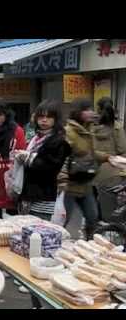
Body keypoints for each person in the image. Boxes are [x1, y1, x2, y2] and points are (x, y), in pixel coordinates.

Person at [57, 98, 111, 240]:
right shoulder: (68, 132)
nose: (90, 112)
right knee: (72, 223)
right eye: (86, 109)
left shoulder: (89, 130)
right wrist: (62, 183)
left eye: (91, 109)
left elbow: (91, 154)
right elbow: (63, 158)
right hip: (70, 186)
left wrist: (109, 158)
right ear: (78, 112)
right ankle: (67, 251)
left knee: (93, 217)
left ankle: (88, 247)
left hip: (86, 184)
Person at [17, 100, 71, 221]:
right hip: (28, 194)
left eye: (49, 117)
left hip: (44, 195)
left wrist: (28, 157)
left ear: (56, 119)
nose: (44, 120)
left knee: (38, 232)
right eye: (41, 116)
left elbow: (49, 166)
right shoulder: (35, 138)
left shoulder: (58, 142)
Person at [93, 97, 126, 185]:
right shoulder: (117, 127)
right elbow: (122, 150)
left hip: (91, 170)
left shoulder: (90, 125)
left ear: (98, 109)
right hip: (111, 172)